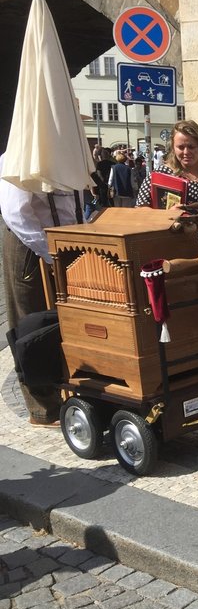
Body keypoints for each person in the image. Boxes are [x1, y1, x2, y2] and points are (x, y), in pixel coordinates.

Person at [0, 153, 81, 426]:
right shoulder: (21, 152)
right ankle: (42, 407)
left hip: (62, 244)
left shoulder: (64, 146)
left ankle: (66, 388)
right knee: (30, 320)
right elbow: (15, 212)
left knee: (64, 319)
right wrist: (48, 254)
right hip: (31, 245)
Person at [136, 120, 198, 213]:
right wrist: (166, 214)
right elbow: (141, 209)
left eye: (191, 147)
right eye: (181, 147)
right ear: (173, 148)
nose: (186, 152)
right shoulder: (159, 174)